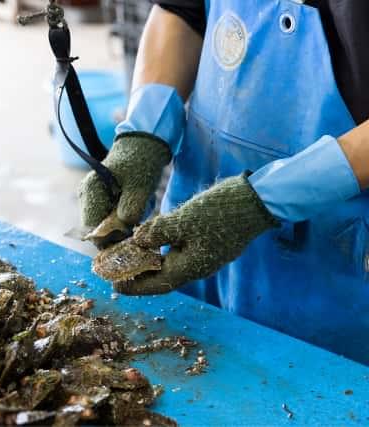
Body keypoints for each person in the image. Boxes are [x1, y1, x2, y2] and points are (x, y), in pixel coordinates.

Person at [78, 0, 369, 364]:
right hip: (196, 218)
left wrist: (265, 200)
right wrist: (143, 133)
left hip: (336, 266)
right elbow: (181, 9)